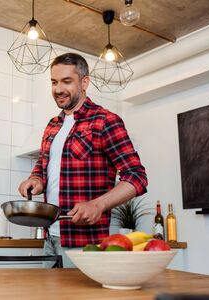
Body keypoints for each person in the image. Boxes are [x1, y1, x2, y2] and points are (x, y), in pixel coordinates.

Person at [18, 53, 148, 267]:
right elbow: (42, 167)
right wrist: (35, 180)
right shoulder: (52, 125)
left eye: (67, 81)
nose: (58, 89)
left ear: (84, 82)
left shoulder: (105, 121)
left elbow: (137, 177)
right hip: (50, 239)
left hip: (84, 244)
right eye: (54, 82)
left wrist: (98, 205)